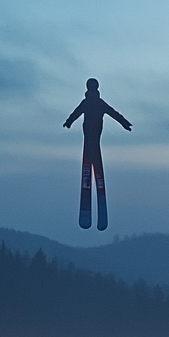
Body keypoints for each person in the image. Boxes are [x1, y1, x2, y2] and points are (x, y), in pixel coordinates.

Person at [63, 78, 131, 231]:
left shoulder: (87, 102)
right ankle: (94, 156)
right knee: (94, 147)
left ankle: (92, 155)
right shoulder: (98, 103)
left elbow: (76, 113)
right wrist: (125, 123)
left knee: (91, 146)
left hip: (88, 131)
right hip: (95, 132)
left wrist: (69, 121)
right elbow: (114, 113)